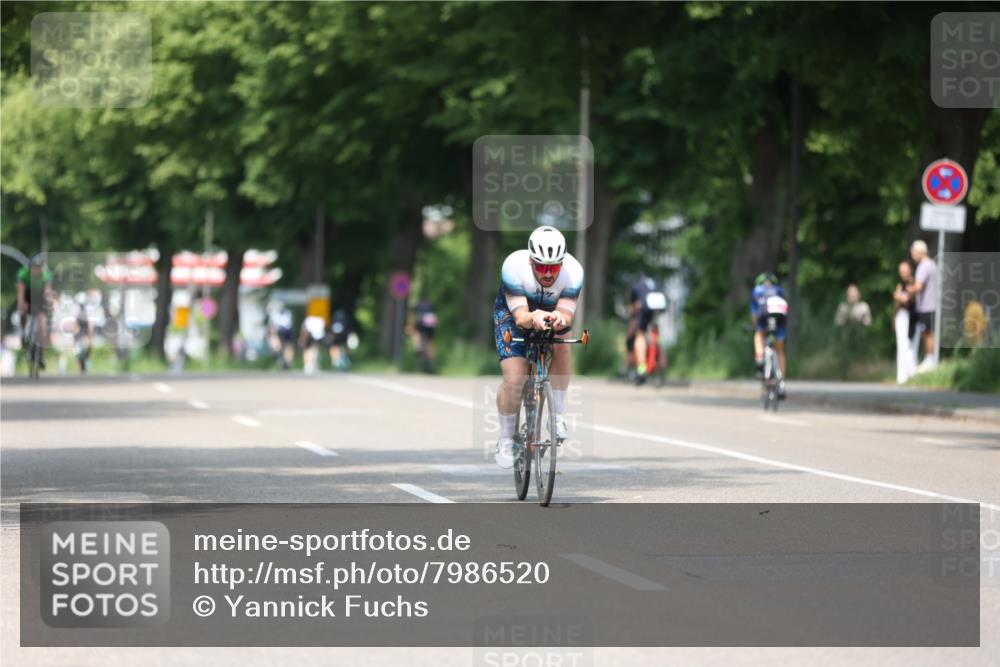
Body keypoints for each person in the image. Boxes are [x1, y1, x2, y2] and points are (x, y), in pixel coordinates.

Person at [493, 226, 583, 468]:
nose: (547, 273)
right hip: (514, 313)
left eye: (553, 267)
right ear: (531, 261)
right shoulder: (513, 266)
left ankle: (557, 416)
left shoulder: (574, 273)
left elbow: (566, 312)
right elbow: (521, 316)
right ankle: (506, 439)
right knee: (515, 377)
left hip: (551, 312)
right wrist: (534, 316)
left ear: (562, 263)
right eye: (541, 266)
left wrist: (560, 319)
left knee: (563, 345)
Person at [750, 272, 788, 397]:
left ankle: (760, 358)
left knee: (759, 335)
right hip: (779, 321)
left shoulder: (757, 291)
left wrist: (756, 327)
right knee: (779, 351)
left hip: (764, 319)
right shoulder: (780, 291)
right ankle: (781, 383)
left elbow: (754, 315)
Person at [16, 254, 55, 372]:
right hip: (27, 296)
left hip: (39, 298)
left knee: (42, 324)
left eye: (39, 267)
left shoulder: (46, 275)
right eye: (34, 267)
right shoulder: (23, 274)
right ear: (30, 267)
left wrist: (50, 302)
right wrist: (21, 305)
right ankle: (23, 333)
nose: (36, 270)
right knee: (23, 312)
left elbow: (47, 290)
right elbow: (21, 292)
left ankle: (40, 354)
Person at [908, 239, 938, 371]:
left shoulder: (924, 266)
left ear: (921, 251)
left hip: (927, 305)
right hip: (931, 304)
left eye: (914, 251)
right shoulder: (932, 264)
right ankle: (929, 359)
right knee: (928, 332)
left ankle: (930, 359)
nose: (912, 254)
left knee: (927, 333)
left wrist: (908, 291)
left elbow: (918, 287)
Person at [893, 261, 919, 384]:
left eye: (904, 270)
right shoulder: (900, 285)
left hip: (912, 316)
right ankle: (902, 376)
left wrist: (900, 297)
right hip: (901, 316)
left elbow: (910, 299)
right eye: (901, 271)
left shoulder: (915, 284)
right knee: (901, 346)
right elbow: (897, 304)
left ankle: (912, 374)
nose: (902, 273)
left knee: (910, 345)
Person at [412, 297, 438, 374]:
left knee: (415, 332)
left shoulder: (416, 305)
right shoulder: (431, 305)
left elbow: (412, 317)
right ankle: (432, 361)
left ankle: (418, 346)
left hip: (421, 320)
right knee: (430, 341)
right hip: (431, 321)